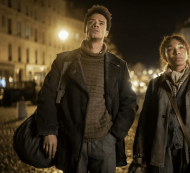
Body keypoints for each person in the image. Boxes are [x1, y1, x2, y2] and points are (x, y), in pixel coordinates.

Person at [35, 5, 137, 173]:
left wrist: (115, 135)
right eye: (92, 22)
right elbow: (46, 96)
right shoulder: (64, 61)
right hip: (73, 141)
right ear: (85, 29)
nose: (96, 25)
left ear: (106, 33)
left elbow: (129, 101)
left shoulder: (118, 65)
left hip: (105, 141)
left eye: (101, 23)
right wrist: (49, 131)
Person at [129, 34, 190, 173]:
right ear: (165, 56)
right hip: (160, 153)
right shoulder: (155, 84)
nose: (177, 52)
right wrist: (139, 157)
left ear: (187, 52)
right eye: (170, 49)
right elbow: (144, 122)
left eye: (181, 47)